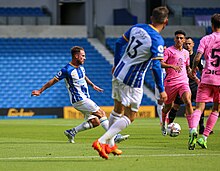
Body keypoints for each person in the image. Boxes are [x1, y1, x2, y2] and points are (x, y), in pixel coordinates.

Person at [92, 6, 168, 160]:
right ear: (165, 22)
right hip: (132, 79)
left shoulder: (137, 27)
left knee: (117, 109)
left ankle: (111, 145)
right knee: (130, 116)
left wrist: (116, 63)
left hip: (118, 72)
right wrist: (161, 89)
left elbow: (119, 43)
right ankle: (101, 141)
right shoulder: (157, 39)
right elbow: (156, 66)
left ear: (151, 18)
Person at [31, 46, 125, 145]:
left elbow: (84, 76)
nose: (85, 58)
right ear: (76, 56)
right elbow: (53, 80)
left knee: (95, 122)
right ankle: (114, 136)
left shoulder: (81, 68)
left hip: (85, 98)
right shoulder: (66, 70)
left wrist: (92, 85)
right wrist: (40, 91)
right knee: (101, 113)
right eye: (83, 56)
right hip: (79, 99)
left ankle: (72, 132)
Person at [188, 13, 220, 150]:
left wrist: (194, 69)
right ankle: (204, 137)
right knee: (216, 108)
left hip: (206, 78)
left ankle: (193, 130)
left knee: (199, 108)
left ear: (211, 25)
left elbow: (197, 57)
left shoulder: (206, 39)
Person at [161, 30, 197, 136]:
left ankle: (192, 129)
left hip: (183, 82)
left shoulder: (186, 53)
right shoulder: (168, 51)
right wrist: (171, 66)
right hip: (170, 82)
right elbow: (161, 63)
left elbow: (187, 67)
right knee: (167, 107)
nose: (179, 40)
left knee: (188, 101)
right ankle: (163, 123)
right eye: (177, 38)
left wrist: (193, 74)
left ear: (184, 40)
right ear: (174, 39)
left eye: (181, 38)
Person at [167, 37, 206, 134]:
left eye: (189, 44)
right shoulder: (182, 55)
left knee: (199, 105)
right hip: (181, 85)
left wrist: (201, 81)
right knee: (175, 106)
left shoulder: (196, 58)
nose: (188, 45)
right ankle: (169, 126)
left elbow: (202, 70)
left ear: (193, 44)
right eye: (186, 44)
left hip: (193, 86)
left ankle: (201, 127)